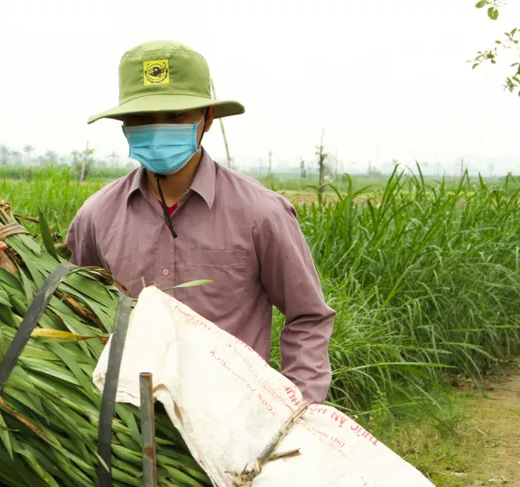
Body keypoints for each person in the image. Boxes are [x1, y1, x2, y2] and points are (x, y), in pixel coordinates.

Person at [65, 40, 336, 403]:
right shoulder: (96, 217)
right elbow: (70, 308)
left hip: (233, 422)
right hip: (125, 423)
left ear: (206, 120)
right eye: (143, 118)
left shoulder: (262, 214)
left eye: (175, 116)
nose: (158, 129)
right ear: (124, 126)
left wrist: (298, 408)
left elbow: (307, 317)